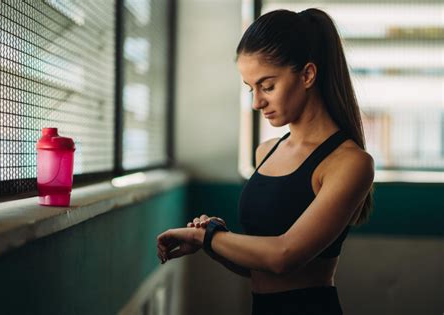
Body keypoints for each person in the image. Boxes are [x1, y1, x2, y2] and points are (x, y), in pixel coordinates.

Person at [157, 8, 374, 315]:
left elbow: (283, 256)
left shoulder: (350, 163)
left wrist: (206, 236)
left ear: (307, 74)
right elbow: (259, 268)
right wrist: (212, 243)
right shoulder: (266, 152)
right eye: (251, 88)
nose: (257, 102)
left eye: (267, 86)